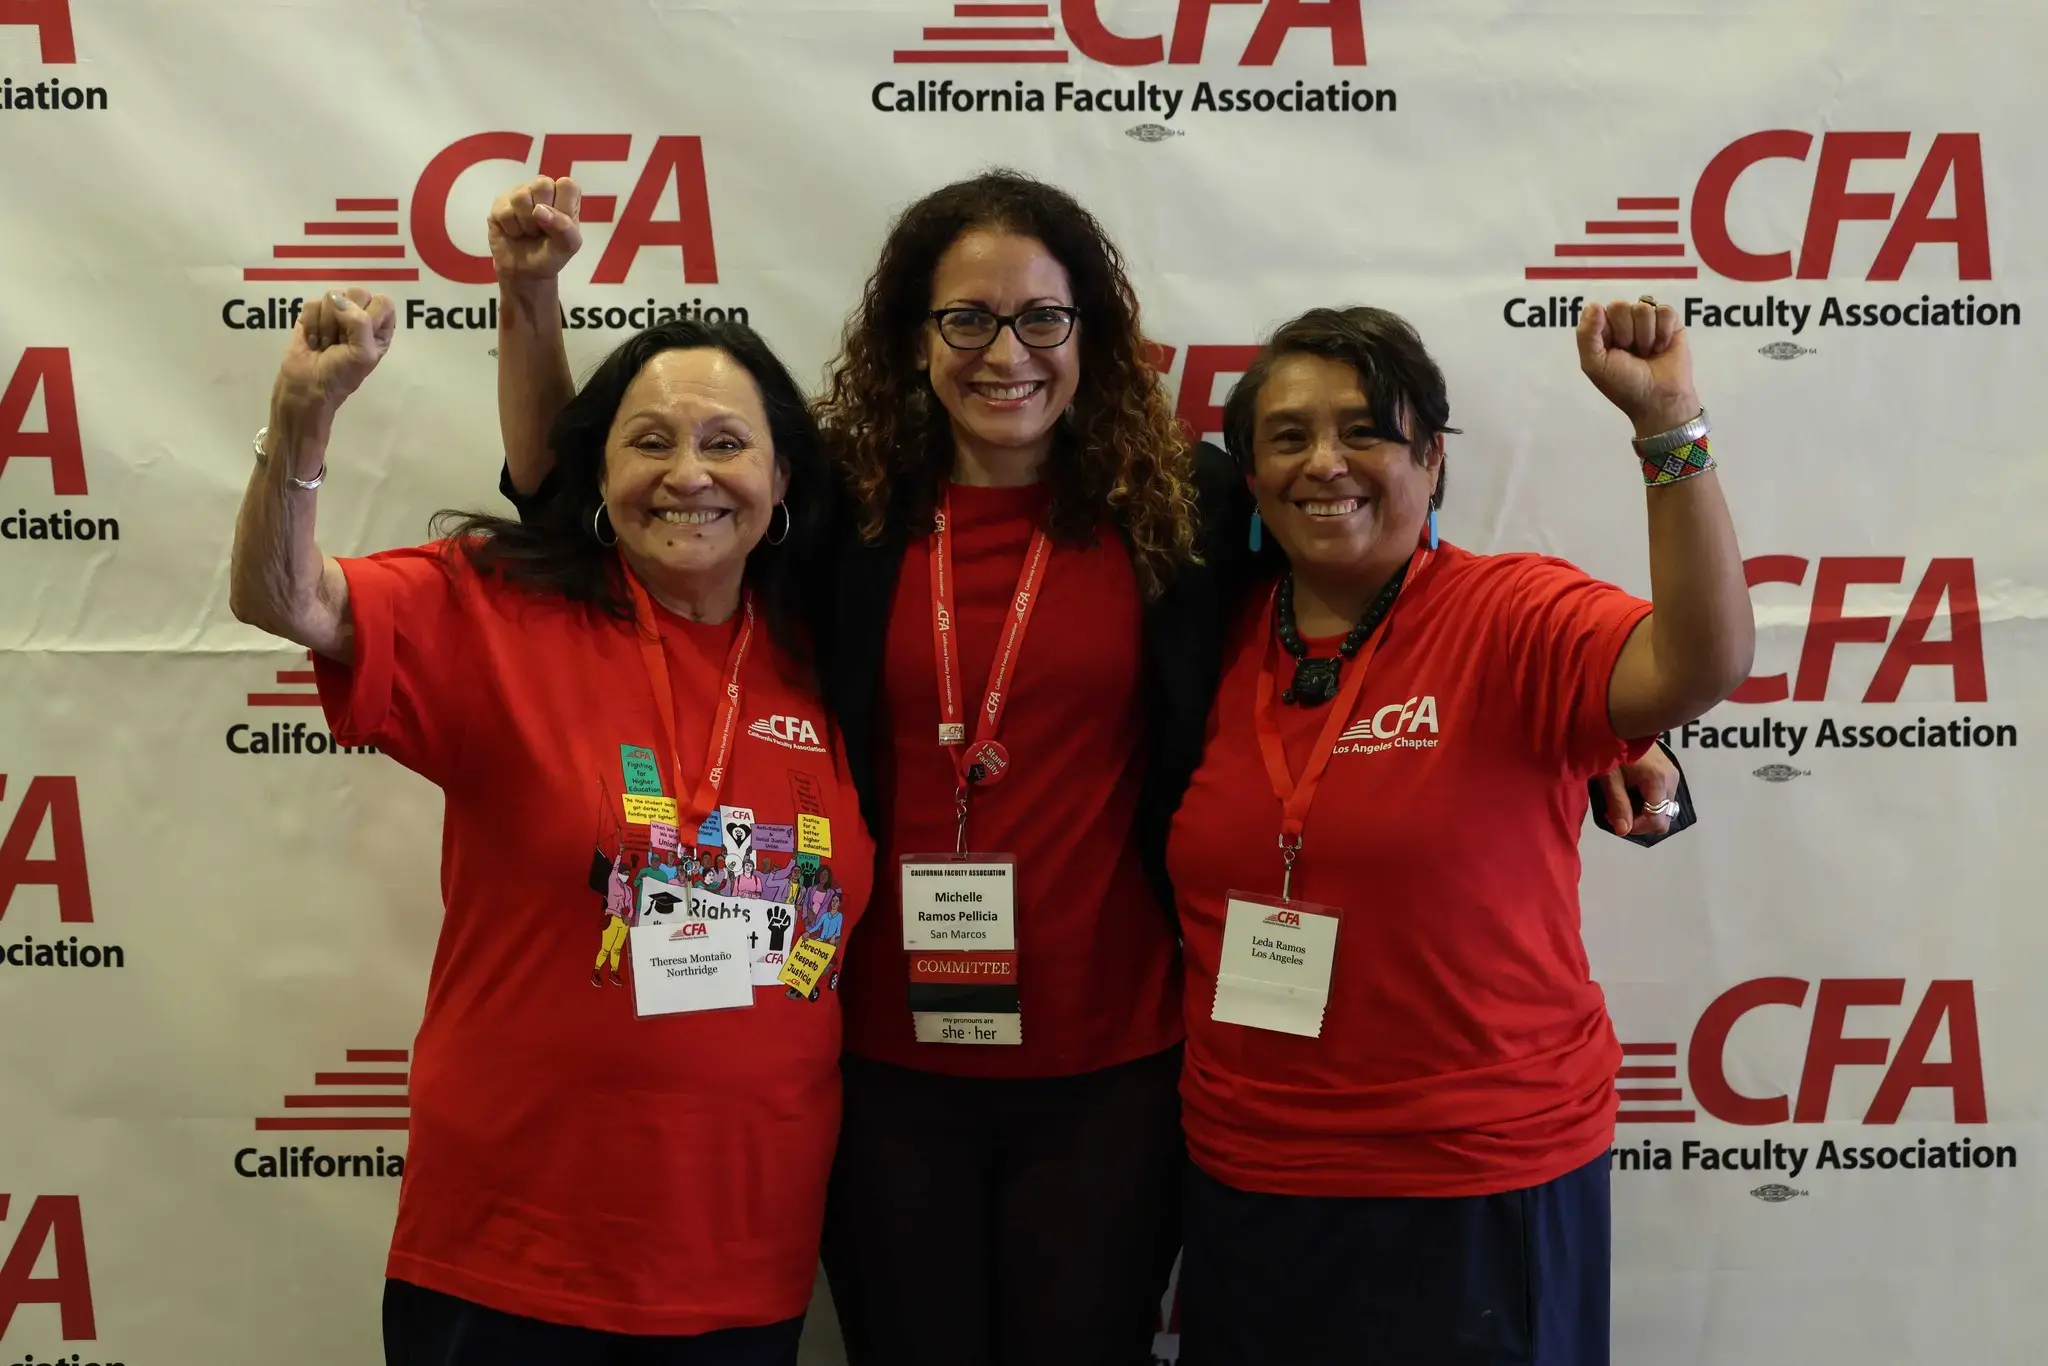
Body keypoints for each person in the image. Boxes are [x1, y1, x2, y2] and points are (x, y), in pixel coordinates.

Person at [486, 173, 1691, 1366]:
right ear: (915, 337)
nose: (1004, 352)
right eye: (966, 318)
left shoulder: (1182, 505)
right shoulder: (844, 513)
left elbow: (1375, 575)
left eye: (1040, 318)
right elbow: (567, 494)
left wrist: (1609, 726)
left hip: (1112, 1068)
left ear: (1087, 336)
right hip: (885, 1060)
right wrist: (529, 298)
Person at [229, 288, 872, 1365]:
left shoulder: (827, 659)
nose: (689, 474)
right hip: (512, 1253)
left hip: (740, 1258)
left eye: (726, 442)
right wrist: (301, 416)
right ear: (598, 474)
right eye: (649, 441)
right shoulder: (497, 608)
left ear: (783, 479)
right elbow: (283, 598)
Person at [1167, 302, 1752, 1366]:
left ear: (1431, 460)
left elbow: (1696, 662)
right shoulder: (1209, 636)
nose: (1324, 463)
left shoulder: (1508, 614)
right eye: (1286, 437)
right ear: (1246, 479)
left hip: (1475, 1175)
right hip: (1252, 1179)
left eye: (1364, 430)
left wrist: (1669, 430)